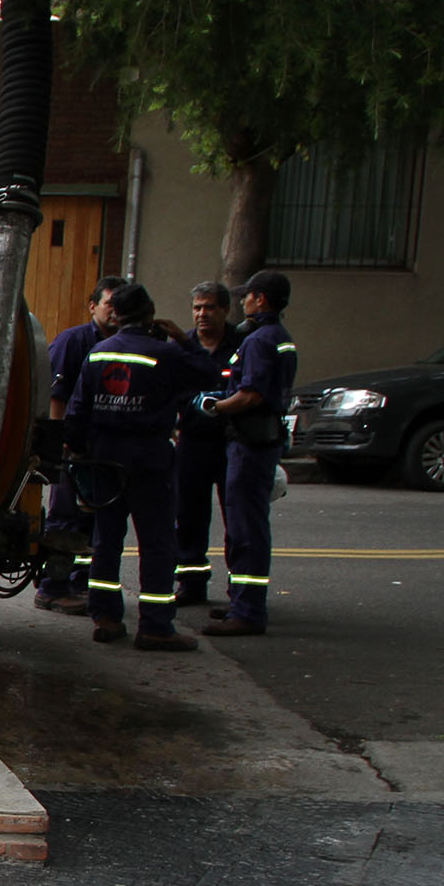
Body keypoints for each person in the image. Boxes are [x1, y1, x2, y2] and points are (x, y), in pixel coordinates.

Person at [63, 282, 215, 652]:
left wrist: (81, 453)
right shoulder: (165, 354)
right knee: (157, 541)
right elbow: (210, 375)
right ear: (150, 315)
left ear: (115, 314)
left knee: (106, 539)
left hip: (105, 457)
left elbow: (77, 411)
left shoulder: (98, 352)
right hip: (149, 458)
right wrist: (184, 339)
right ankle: (156, 626)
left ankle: (105, 616)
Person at [202, 268, 297, 637]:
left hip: (250, 442)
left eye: (247, 296)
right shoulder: (279, 337)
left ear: (260, 299)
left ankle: (248, 611)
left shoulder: (258, 341)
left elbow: (251, 394)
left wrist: (215, 407)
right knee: (246, 526)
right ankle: (243, 601)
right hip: (263, 440)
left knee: (245, 529)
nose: (242, 302)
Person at [33, 278, 124, 614]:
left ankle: (79, 583)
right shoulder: (74, 342)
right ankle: (52, 587)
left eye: (120, 306)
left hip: (104, 451)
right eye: (109, 304)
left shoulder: (123, 345)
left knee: (95, 524)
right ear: (92, 306)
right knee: (66, 517)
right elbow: (55, 397)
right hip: (74, 448)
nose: (114, 312)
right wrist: (63, 444)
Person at [173, 280, 244, 605]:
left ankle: (240, 587)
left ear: (225, 310)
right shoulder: (183, 347)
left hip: (232, 442)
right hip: (193, 443)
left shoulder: (242, 344)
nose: (202, 314)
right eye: (197, 307)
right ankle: (191, 582)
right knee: (189, 516)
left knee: (237, 517)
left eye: (209, 307)